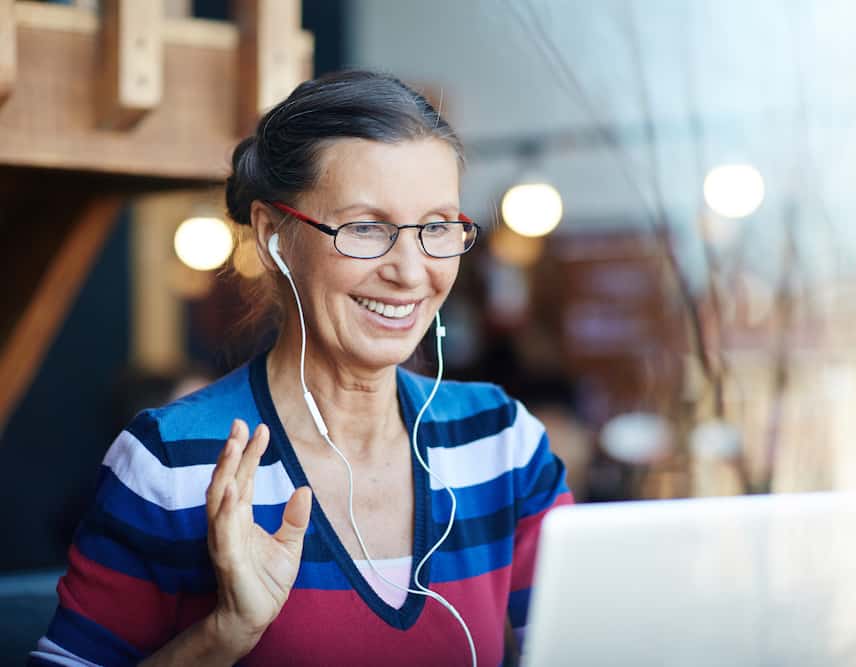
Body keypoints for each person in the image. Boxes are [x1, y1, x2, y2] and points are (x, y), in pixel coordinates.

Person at [31, 70, 572, 667]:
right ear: (273, 238)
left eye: (437, 227)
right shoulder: (173, 462)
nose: (412, 272)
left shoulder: (501, 442)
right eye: (367, 227)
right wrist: (225, 634)